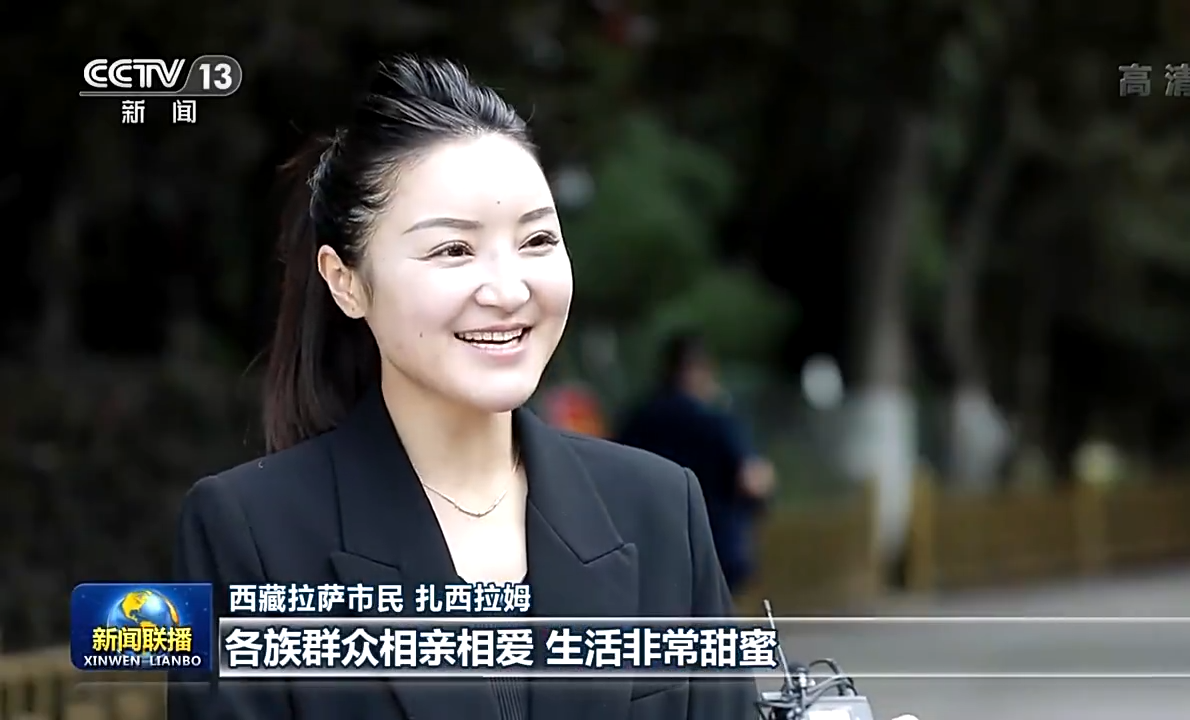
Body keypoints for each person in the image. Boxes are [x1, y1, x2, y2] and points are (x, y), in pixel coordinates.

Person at [168, 56, 755, 720]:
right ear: (346, 281)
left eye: (537, 239)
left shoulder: (659, 508)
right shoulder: (249, 531)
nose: (508, 290)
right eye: (453, 250)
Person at [616, 334, 775, 596]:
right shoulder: (718, 420)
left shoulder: (638, 420)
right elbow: (751, 481)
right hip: (715, 549)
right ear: (703, 370)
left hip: (652, 552)